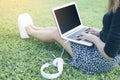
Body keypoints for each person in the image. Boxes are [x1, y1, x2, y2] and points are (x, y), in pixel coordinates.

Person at [25, 0, 120, 74]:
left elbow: (109, 54)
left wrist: (91, 38)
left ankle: (29, 31)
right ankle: (35, 28)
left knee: (58, 34)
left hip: (99, 61)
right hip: (103, 53)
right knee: (62, 30)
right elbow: (114, 33)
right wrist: (100, 33)